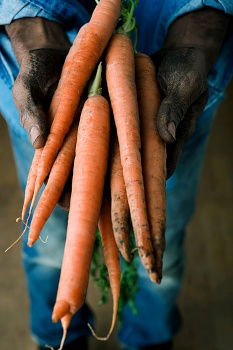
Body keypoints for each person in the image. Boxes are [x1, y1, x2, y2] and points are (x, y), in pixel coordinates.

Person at [0, 1, 232, 349]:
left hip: (171, 60)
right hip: (48, 87)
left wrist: (198, 31)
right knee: (50, 245)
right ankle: (56, 338)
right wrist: (33, 28)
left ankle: (150, 338)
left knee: (157, 238)